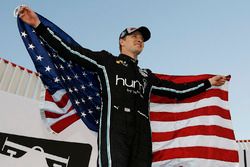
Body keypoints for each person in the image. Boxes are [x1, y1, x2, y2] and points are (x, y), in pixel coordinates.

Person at [18, 6, 227, 167]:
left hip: (142, 131)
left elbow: (177, 90)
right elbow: (69, 51)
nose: (139, 40)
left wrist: (208, 83)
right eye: (134, 36)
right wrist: (38, 25)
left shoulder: (146, 76)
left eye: (142, 39)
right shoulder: (106, 61)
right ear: (121, 42)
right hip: (114, 127)